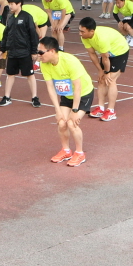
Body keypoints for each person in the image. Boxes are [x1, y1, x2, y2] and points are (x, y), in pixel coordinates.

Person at [37, 36, 91, 167]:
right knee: (61, 122)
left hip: (83, 94)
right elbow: (50, 87)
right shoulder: (44, 64)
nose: (38, 55)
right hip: (66, 95)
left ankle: (80, 153)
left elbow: (77, 88)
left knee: (72, 123)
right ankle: (66, 151)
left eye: (41, 52)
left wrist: (75, 110)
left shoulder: (70, 61)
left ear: (52, 51)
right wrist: (57, 110)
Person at [78, 16, 127, 121]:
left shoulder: (101, 38)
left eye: (83, 31)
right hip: (107, 54)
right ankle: (100, 108)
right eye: (80, 31)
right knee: (101, 80)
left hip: (119, 51)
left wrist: (107, 72)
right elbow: (92, 54)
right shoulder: (85, 37)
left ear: (91, 31)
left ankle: (111, 111)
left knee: (110, 80)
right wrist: (100, 71)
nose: (80, 34)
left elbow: (105, 57)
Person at [0, 0, 41, 107]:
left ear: (19, 4)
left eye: (12, 4)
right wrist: (2, 49)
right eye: (9, 3)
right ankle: (7, 97)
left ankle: (34, 97)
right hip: (12, 53)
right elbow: (6, 34)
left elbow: (33, 35)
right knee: (10, 74)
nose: (10, 6)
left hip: (25, 52)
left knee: (29, 75)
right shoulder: (10, 18)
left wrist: (34, 51)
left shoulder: (27, 17)